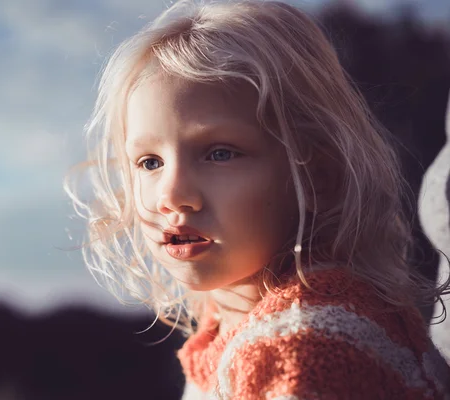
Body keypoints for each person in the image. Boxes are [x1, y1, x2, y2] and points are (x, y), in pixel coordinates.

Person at [65, 1, 450, 398]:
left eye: (220, 153)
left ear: (318, 177)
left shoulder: (305, 348)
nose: (172, 195)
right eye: (150, 162)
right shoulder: (232, 320)